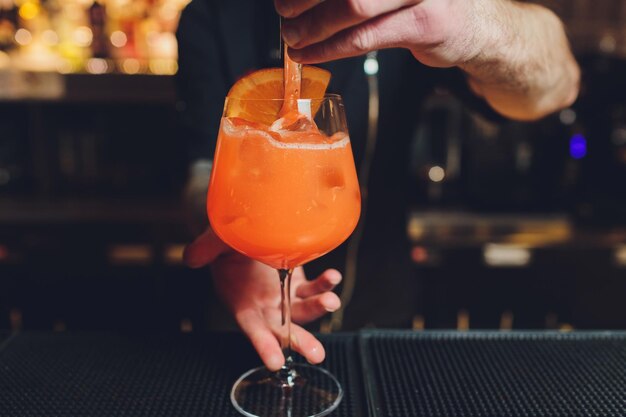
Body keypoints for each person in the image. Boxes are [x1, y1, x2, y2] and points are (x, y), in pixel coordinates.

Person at [176, 0, 580, 372]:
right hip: (242, 319)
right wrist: (234, 239)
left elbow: (559, 87)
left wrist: (470, 22)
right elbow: (204, 170)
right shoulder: (210, 14)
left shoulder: (399, 8)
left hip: (383, 314)